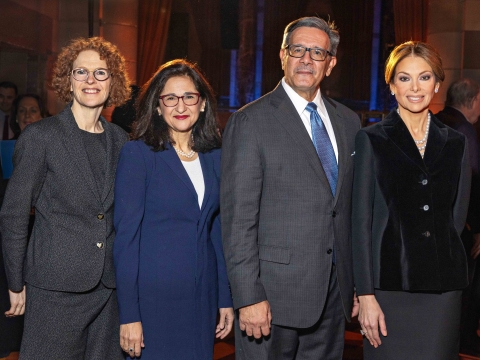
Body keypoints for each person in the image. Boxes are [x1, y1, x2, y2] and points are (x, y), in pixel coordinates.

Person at [221, 16, 360, 359]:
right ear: (282, 56)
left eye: (317, 52)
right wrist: (248, 296)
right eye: (298, 49)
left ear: (331, 64)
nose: (307, 59)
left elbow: (348, 210)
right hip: (271, 298)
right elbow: (238, 220)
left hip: (332, 296)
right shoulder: (251, 121)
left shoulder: (349, 122)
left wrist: (354, 284)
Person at [0, 36, 130, 359]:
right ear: (67, 81)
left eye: (100, 73)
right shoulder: (41, 137)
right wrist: (16, 284)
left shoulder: (122, 141)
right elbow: (13, 214)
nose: (90, 80)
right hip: (55, 289)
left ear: (111, 82)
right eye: (80, 72)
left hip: (108, 291)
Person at [352, 41, 471, 360]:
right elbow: (360, 223)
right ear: (391, 85)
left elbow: (456, 220)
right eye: (404, 78)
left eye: (424, 77)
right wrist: (365, 294)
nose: (415, 87)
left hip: (441, 289)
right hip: (387, 290)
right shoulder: (371, 140)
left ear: (437, 84)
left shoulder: (456, 144)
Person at [114, 59, 234, 359]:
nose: (181, 105)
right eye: (170, 98)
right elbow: (126, 240)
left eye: (189, 96)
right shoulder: (138, 154)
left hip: (202, 295)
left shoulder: (215, 155)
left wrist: (224, 297)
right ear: (158, 106)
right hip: (154, 298)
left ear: (203, 103)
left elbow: (216, 233)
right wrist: (129, 314)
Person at [436, 78, 480, 354]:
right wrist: (477, 228)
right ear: (472, 101)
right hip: (462, 225)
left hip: (439, 222)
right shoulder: (465, 130)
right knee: (467, 288)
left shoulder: (437, 121)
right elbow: (473, 182)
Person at [0, 93, 46, 357]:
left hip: (38, 231)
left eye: (33, 111)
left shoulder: (50, 145)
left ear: (42, 116)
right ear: (16, 118)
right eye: (22, 112)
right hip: (13, 229)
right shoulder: (5, 147)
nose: (28, 115)